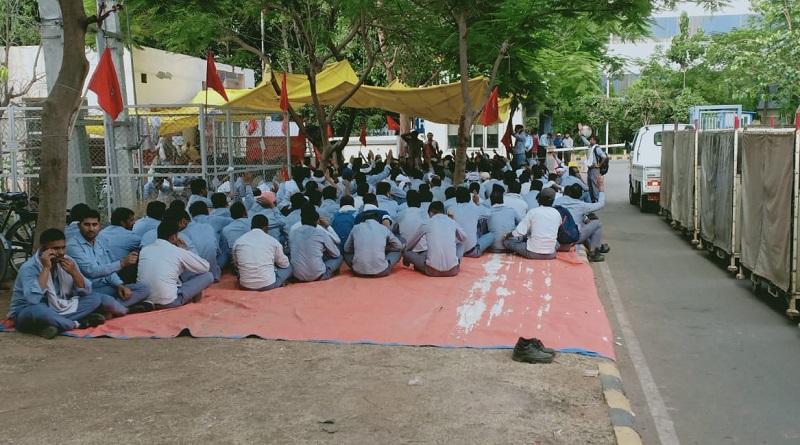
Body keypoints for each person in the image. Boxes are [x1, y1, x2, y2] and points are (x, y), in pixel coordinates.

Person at [7, 229, 107, 338]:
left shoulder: (67, 261)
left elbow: (86, 290)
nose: (61, 252)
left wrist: (74, 272)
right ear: (42, 249)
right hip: (28, 311)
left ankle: (53, 325)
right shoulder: (29, 268)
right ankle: (75, 323)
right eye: (55, 248)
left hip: (59, 306)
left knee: (95, 298)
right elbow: (33, 300)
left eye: (63, 247)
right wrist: (46, 268)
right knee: (40, 310)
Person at [67, 210, 152, 315]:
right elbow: (92, 271)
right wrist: (122, 263)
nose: (91, 229)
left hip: (107, 286)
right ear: (79, 226)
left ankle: (110, 309)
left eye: (94, 225)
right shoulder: (73, 246)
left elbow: (107, 266)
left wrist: (119, 285)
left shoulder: (99, 241)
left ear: (99, 225)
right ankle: (125, 309)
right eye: (87, 225)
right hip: (89, 291)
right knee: (102, 300)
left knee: (143, 289)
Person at [138, 221, 213, 308]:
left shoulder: (145, 250)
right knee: (208, 276)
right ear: (174, 237)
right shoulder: (178, 251)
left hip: (145, 299)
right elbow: (205, 267)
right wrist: (185, 250)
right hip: (169, 301)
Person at [402, 201, 467, 277]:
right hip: (453, 270)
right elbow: (463, 238)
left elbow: (412, 242)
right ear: (443, 212)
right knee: (461, 245)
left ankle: (418, 265)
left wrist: (406, 254)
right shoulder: (452, 222)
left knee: (407, 253)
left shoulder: (427, 223)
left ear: (431, 213)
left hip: (432, 270)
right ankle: (455, 262)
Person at [554, 180, 610, 262]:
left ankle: (598, 246)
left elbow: (571, 213)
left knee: (583, 228)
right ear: (580, 195)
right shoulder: (582, 205)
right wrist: (601, 189)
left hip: (556, 237)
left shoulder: (559, 201)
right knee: (596, 223)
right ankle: (593, 253)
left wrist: (585, 219)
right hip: (570, 239)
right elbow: (601, 204)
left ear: (569, 192)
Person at [233, 214, 292, 291]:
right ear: (266, 228)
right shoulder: (273, 241)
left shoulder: (238, 241)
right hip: (268, 284)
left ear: (251, 227)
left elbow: (236, 265)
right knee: (289, 267)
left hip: (245, 285)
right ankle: (280, 282)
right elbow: (284, 264)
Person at [502, 187, 560, 260]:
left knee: (507, 243)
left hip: (532, 252)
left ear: (539, 199)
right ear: (553, 201)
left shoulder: (533, 212)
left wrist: (507, 235)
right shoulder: (557, 213)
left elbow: (519, 232)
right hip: (551, 253)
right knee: (555, 241)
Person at [288, 205, 343, 282]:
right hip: (318, 275)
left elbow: (291, 250)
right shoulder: (320, 232)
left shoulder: (293, 232)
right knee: (339, 257)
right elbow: (336, 254)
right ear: (316, 222)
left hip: (297, 275)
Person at [343, 212, 405, 278]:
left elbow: (346, 249)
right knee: (398, 251)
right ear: (378, 220)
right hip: (381, 271)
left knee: (346, 254)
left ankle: (358, 265)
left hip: (358, 272)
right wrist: (386, 248)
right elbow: (399, 246)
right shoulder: (383, 228)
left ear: (363, 220)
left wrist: (357, 248)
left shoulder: (356, 228)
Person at [96, 207, 142, 279]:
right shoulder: (130, 237)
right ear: (123, 223)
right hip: (116, 274)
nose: (134, 222)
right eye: (131, 220)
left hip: (100, 272)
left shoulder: (102, 233)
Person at [451, 187, 493, 257]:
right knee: (492, 235)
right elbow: (489, 214)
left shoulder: (451, 209)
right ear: (469, 198)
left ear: (456, 199)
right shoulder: (475, 208)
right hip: (471, 251)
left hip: (456, 251)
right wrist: (477, 202)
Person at [185, 203, 222, 280]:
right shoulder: (209, 226)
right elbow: (217, 251)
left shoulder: (183, 232)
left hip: (196, 275)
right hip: (213, 271)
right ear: (207, 211)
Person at [578, 123, 607, 203]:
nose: (590, 140)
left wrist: (599, 165)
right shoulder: (591, 147)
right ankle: (592, 200)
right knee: (590, 185)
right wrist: (581, 132)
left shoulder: (596, 148)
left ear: (595, 141)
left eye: (591, 140)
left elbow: (604, 156)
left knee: (595, 185)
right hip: (590, 169)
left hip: (595, 169)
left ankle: (598, 200)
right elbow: (584, 140)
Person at [487, 187, 521, 253]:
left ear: (491, 201)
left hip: (494, 247)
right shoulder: (511, 210)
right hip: (511, 245)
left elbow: (484, 230)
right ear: (502, 200)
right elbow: (521, 224)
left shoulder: (487, 212)